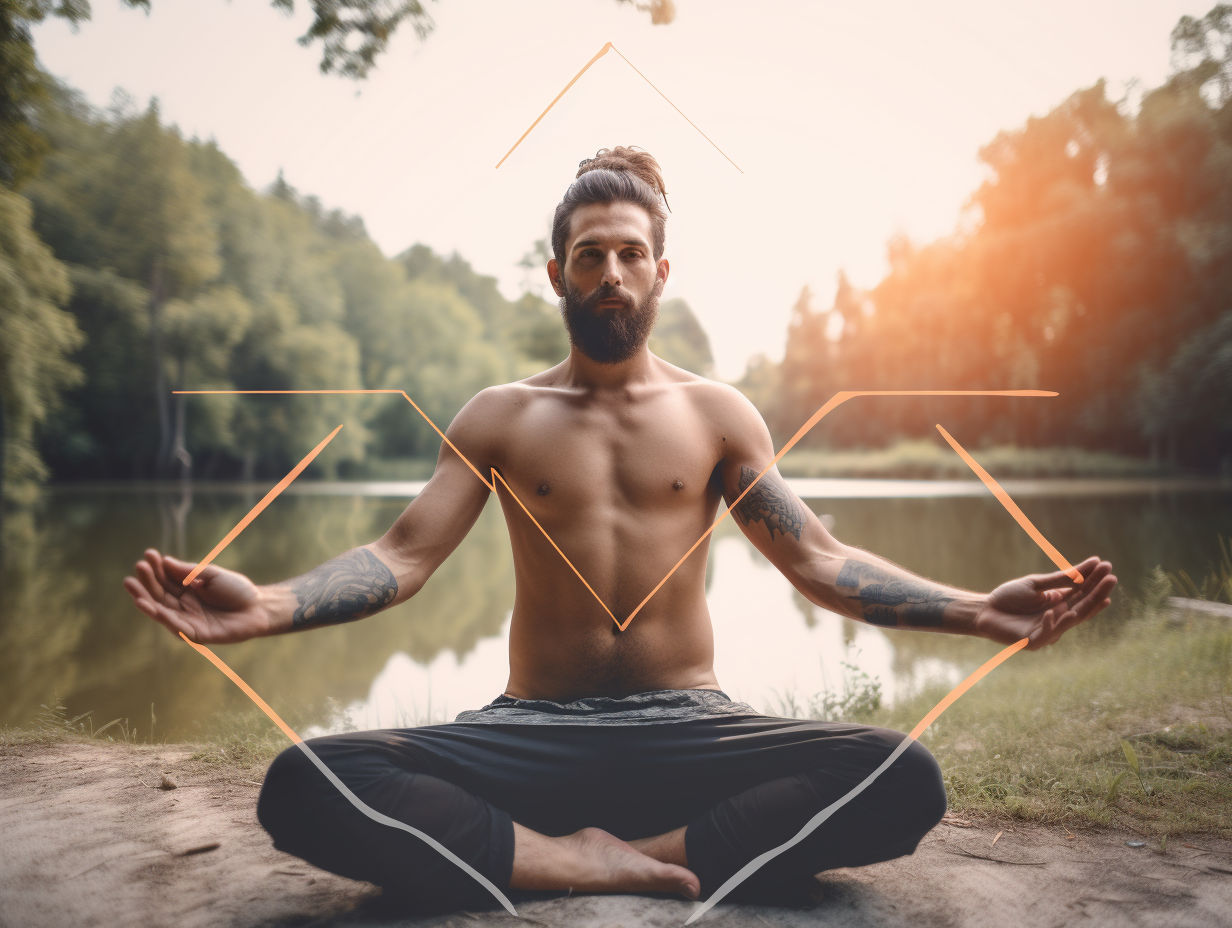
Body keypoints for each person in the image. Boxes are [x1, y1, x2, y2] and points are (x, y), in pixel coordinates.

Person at [124, 146, 1117, 914]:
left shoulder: (720, 416)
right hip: (530, 732)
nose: (610, 273)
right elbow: (401, 554)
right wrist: (267, 603)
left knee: (900, 778)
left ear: (661, 270)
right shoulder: (497, 415)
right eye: (589, 255)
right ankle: (565, 859)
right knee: (305, 785)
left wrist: (977, 607)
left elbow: (816, 557)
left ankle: (642, 857)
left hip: (690, 728)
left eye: (629, 254)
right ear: (554, 271)